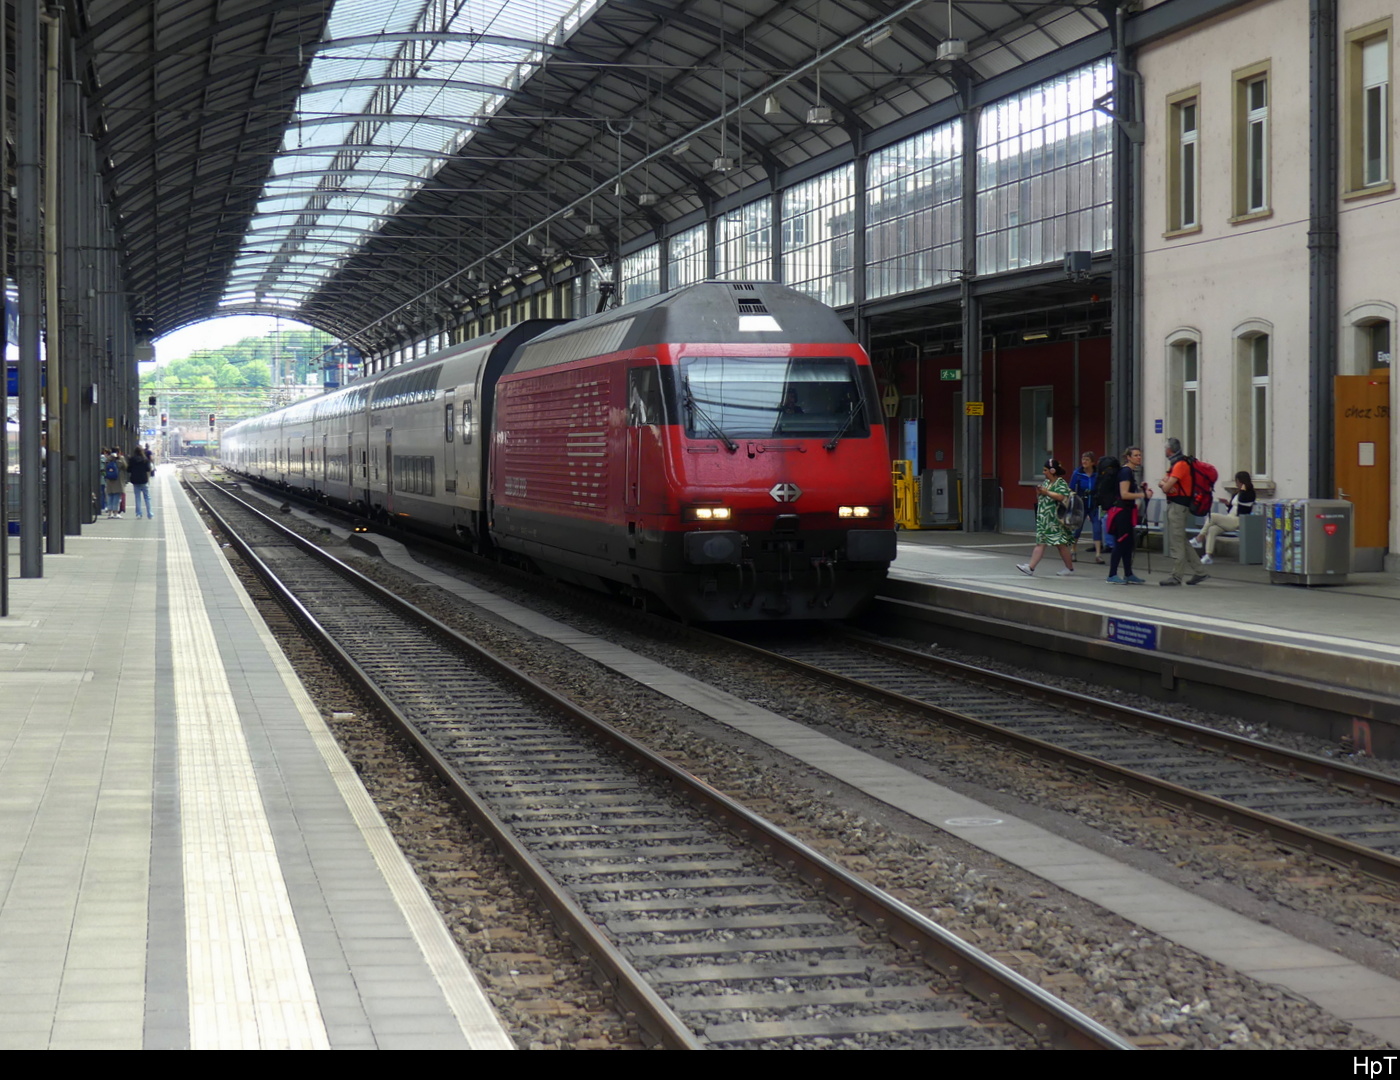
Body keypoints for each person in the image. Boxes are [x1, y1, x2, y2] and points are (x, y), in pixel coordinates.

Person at [1157, 436, 1207, 585]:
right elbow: (1163, 482)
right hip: (1177, 505)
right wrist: (1165, 484)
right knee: (1182, 540)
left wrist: (1165, 485)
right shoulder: (1176, 464)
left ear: (1169, 449)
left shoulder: (1179, 465)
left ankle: (1176, 576)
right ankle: (1200, 571)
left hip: (1178, 506)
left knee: (1176, 541)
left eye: (1166, 448)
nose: (1164, 450)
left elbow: (1165, 486)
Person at [1017, 458, 1076, 577]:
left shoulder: (1060, 483)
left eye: (1045, 470)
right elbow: (1042, 498)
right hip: (1044, 519)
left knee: (1060, 544)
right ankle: (1031, 567)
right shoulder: (1046, 483)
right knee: (1041, 543)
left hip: (1055, 520)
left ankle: (1069, 568)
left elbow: (1061, 497)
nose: (1043, 472)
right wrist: (1039, 492)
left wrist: (1047, 492)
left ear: (1052, 470)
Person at [1104, 446, 1151, 583]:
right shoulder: (1125, 472)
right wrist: (1143, 494)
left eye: (1139, 455)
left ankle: (1128, 573)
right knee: (1121, 542)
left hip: (1128, 511)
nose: (1139, 457)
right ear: (1128, 457)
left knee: (1128, 543)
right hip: (1122, 512)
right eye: (1136, 455)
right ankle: (1112, 574)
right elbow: (1124, 494)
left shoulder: (1129, 472)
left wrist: (1141, 489)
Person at [1191, 471, 1255, 564]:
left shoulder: (1249, 493)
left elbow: (1244, 504)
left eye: (1238, 482)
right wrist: (1227, 504)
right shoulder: (1236, 494)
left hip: (1238, 520)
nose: (1236, 484)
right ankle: (1208, 555)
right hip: (1230, 518)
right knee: (1212, 529)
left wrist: (1243, 489)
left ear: (1243, 482)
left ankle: (1199, 538)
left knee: (1212, 516)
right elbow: (1232, 509)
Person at [1069, 451, 1104, 563]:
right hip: (1081, 504)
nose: (1084, 462)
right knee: (1077, 529)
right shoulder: (1077, 473)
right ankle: (1073, 550)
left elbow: (1101, 488)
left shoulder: (1097, 474)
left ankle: (1098, 554)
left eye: (1087, 460)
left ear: (1092, 462)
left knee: (1097, 528)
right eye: (1083, 459)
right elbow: (1071, 488)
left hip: (1094, 504)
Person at [128, 445, 154, 519]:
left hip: (135, 481)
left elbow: (128, 470)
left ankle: (139, 514)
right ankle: (150, 514)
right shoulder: (145, 459)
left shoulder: (132, 459)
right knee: (147, 497)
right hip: (144, 480)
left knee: (137, 497)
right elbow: (148, 469)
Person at [102, 448, 126, 518]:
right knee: (116, 497)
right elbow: (125, 466)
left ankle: (110, 513)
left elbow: (105, 467)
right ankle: (115, 513)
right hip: (117, 481)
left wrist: (110, 458)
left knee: (110, 496)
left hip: (109, 481)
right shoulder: (119, 460)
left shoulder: (108, 460)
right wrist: (121, 458)